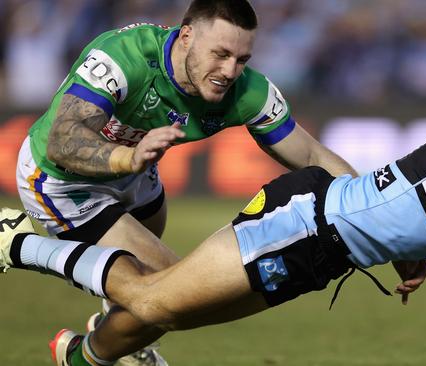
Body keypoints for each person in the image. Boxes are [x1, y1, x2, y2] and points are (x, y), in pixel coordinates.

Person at [1, 69, 426, 366]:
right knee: (160, 301)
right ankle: (20, 243)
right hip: (309, 220)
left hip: (326, 253)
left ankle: (82, 357)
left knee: (177, 313)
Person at [14, 1, 356, 365]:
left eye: (241, 59)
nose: (229, 71)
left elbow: (313, 157)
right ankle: (80, 356)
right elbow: (63, 140)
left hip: (135, 175)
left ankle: (125, 345)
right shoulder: (124, 55)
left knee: (154, 295)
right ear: (187, 36)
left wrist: (380, 211)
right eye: (220, 54)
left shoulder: (247, 90)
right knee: (174, 292)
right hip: (62, 182)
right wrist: (127, 157)